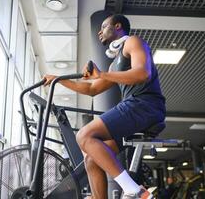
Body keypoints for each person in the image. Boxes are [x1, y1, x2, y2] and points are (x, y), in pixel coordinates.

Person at [43, 14, 166, 199]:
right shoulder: (115, 63)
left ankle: (133, 189)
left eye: (104, 26)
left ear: (117, 26)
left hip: (144, 105)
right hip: (136, 106)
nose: (99, 31)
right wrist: (59, 80)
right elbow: (92, 88)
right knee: (91, 159)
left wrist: (102, 75)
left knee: (84, 135)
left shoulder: (133, 42)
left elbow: (143, 73)